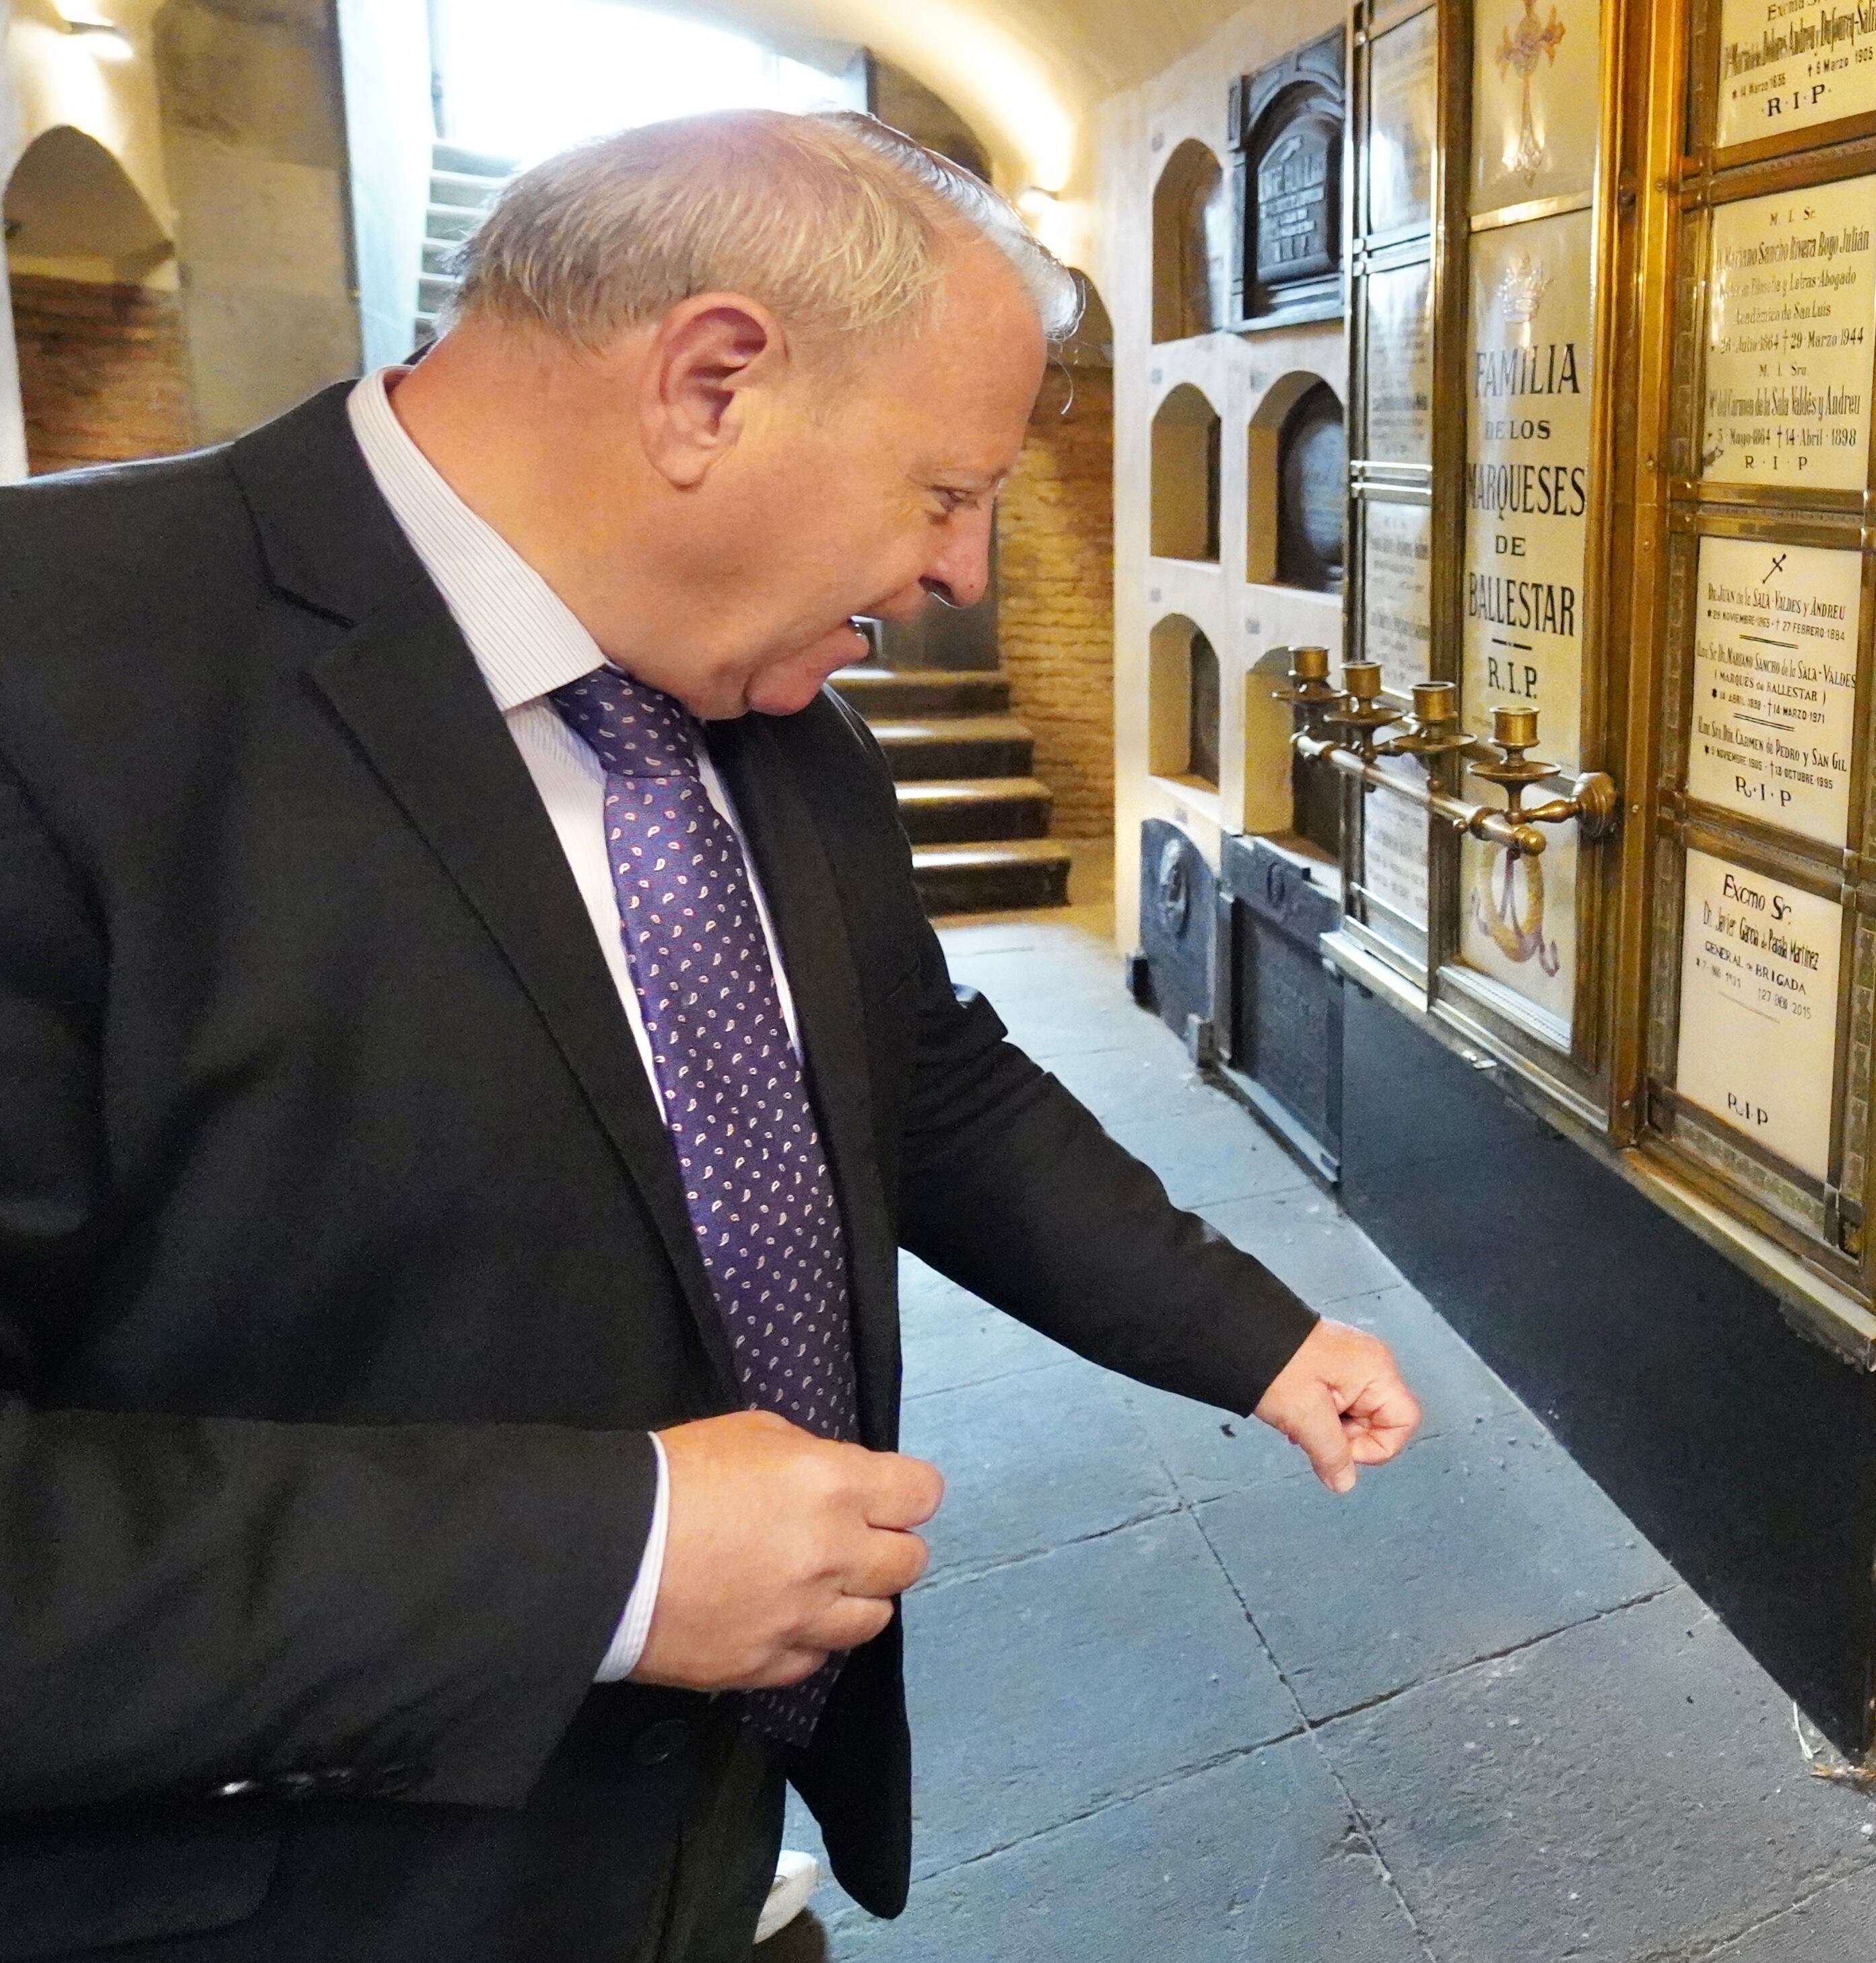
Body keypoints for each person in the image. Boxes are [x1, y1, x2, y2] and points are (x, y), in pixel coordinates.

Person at [0, 109, 1419, 1961]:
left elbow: (918, 1079)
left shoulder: (771, 719)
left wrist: (1246, 1326)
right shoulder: (54, 678)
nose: (965, 576)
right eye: (940, 492)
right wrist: (623, 1556)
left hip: (714, 1854)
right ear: (710, 384)